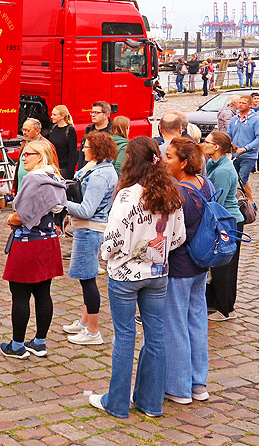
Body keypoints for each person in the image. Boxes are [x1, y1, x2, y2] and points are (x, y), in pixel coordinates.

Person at [88, 137, 186, 419]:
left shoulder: (128, 195)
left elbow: (113, 237)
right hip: (157, 273)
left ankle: (117, 403)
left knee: (125, 337)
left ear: (131, 161)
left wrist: (107, 255)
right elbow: (178, 237)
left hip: (125, 274)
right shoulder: (171, 192)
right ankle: (150, 402)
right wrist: (157, 253)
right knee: (156, 336)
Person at [1, 139, 65, 359]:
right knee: (43, 293)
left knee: (20, 295)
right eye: (23, 154)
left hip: (28, 243)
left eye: (29, 154)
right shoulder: (54, 178)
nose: (23, 158)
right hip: (48, 241)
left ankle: (17, 345)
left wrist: (11, 218)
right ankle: (39, 342)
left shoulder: (33, 179)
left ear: (41, 156)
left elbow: (23, 215)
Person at [163, 138, 210, 405]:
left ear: (183, 163)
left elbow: (171, 235)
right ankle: (198, 383)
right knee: (197, 321)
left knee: (176, 325)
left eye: (169, 157)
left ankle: (179, 387)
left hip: (180, 265)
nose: (165, 160)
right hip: (200, 263)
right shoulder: (206, 183)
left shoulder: (178, 192)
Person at [62, 132, 119, 345]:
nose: (83, 150)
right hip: (89, 229)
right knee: (87, 278)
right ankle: (85, 322)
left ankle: (93, 331)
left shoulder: (99, 175)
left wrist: (61, 202)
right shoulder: (98, 168)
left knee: (87, 280)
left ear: (96, 150)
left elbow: (87, 210)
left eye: (86, 147)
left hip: (90, 229)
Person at [201, 132, 245, 321]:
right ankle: (215, 303)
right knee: (218, 264)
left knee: (225, 266)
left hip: (228, 222)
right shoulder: (214, 163)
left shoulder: (223, 170)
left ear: (216, 147)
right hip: (224, 220)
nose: (203, 143)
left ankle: (225, 309)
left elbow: (216, 201)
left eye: (207, 141)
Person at [228, 94, 259, 184]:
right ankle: (245, 193)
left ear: (250, 105)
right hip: (234, 155)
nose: (240, 105)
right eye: (239, 102)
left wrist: (246, 148)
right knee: (233, 179)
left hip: (249, 156)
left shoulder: (256, 119)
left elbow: (258, 138)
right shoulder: (234, 119)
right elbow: (228, 135)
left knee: (242, 180)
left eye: (244, 103)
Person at [46, 105, 78, 179]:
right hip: (52, 167)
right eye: (52, 114)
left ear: (62, 116)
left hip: (63, 169)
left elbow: (73, 153)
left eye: (54, 115)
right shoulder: (53, 128)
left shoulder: (70, 130)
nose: (51, 117)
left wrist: (70, 174)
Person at [15, 117, 48, 188]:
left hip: (36, 190)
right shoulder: (24, 143)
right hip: (21, 189)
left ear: (37, 131)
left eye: (27, 130)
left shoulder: (46, 146)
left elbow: (53, 168)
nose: (24, 133)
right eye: (23, 130)